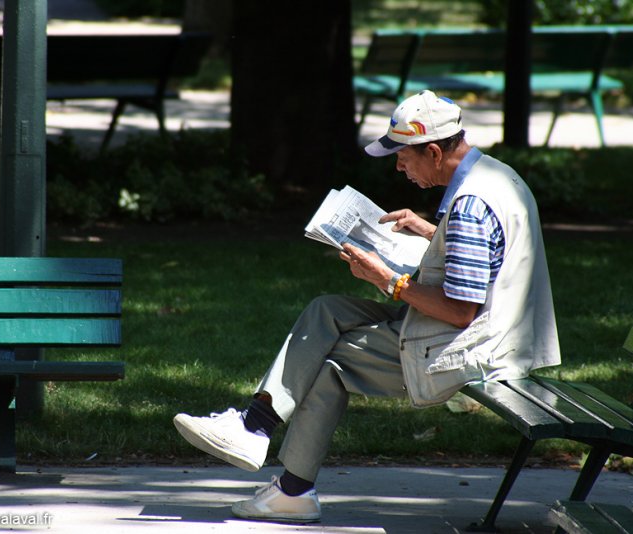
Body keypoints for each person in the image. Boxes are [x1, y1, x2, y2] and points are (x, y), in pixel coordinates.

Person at [173, 90, 562, 523]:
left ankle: (284, 476)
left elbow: (460, 311)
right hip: (500, 334)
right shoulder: (495, 175)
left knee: (327, 361)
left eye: (402, 156)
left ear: (434, 151)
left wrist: (388, 280)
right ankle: (256, 428)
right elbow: (488, 259)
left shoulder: (470, 204)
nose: (397, 166)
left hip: (473, 349)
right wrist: (428, 231)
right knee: (328, 309)